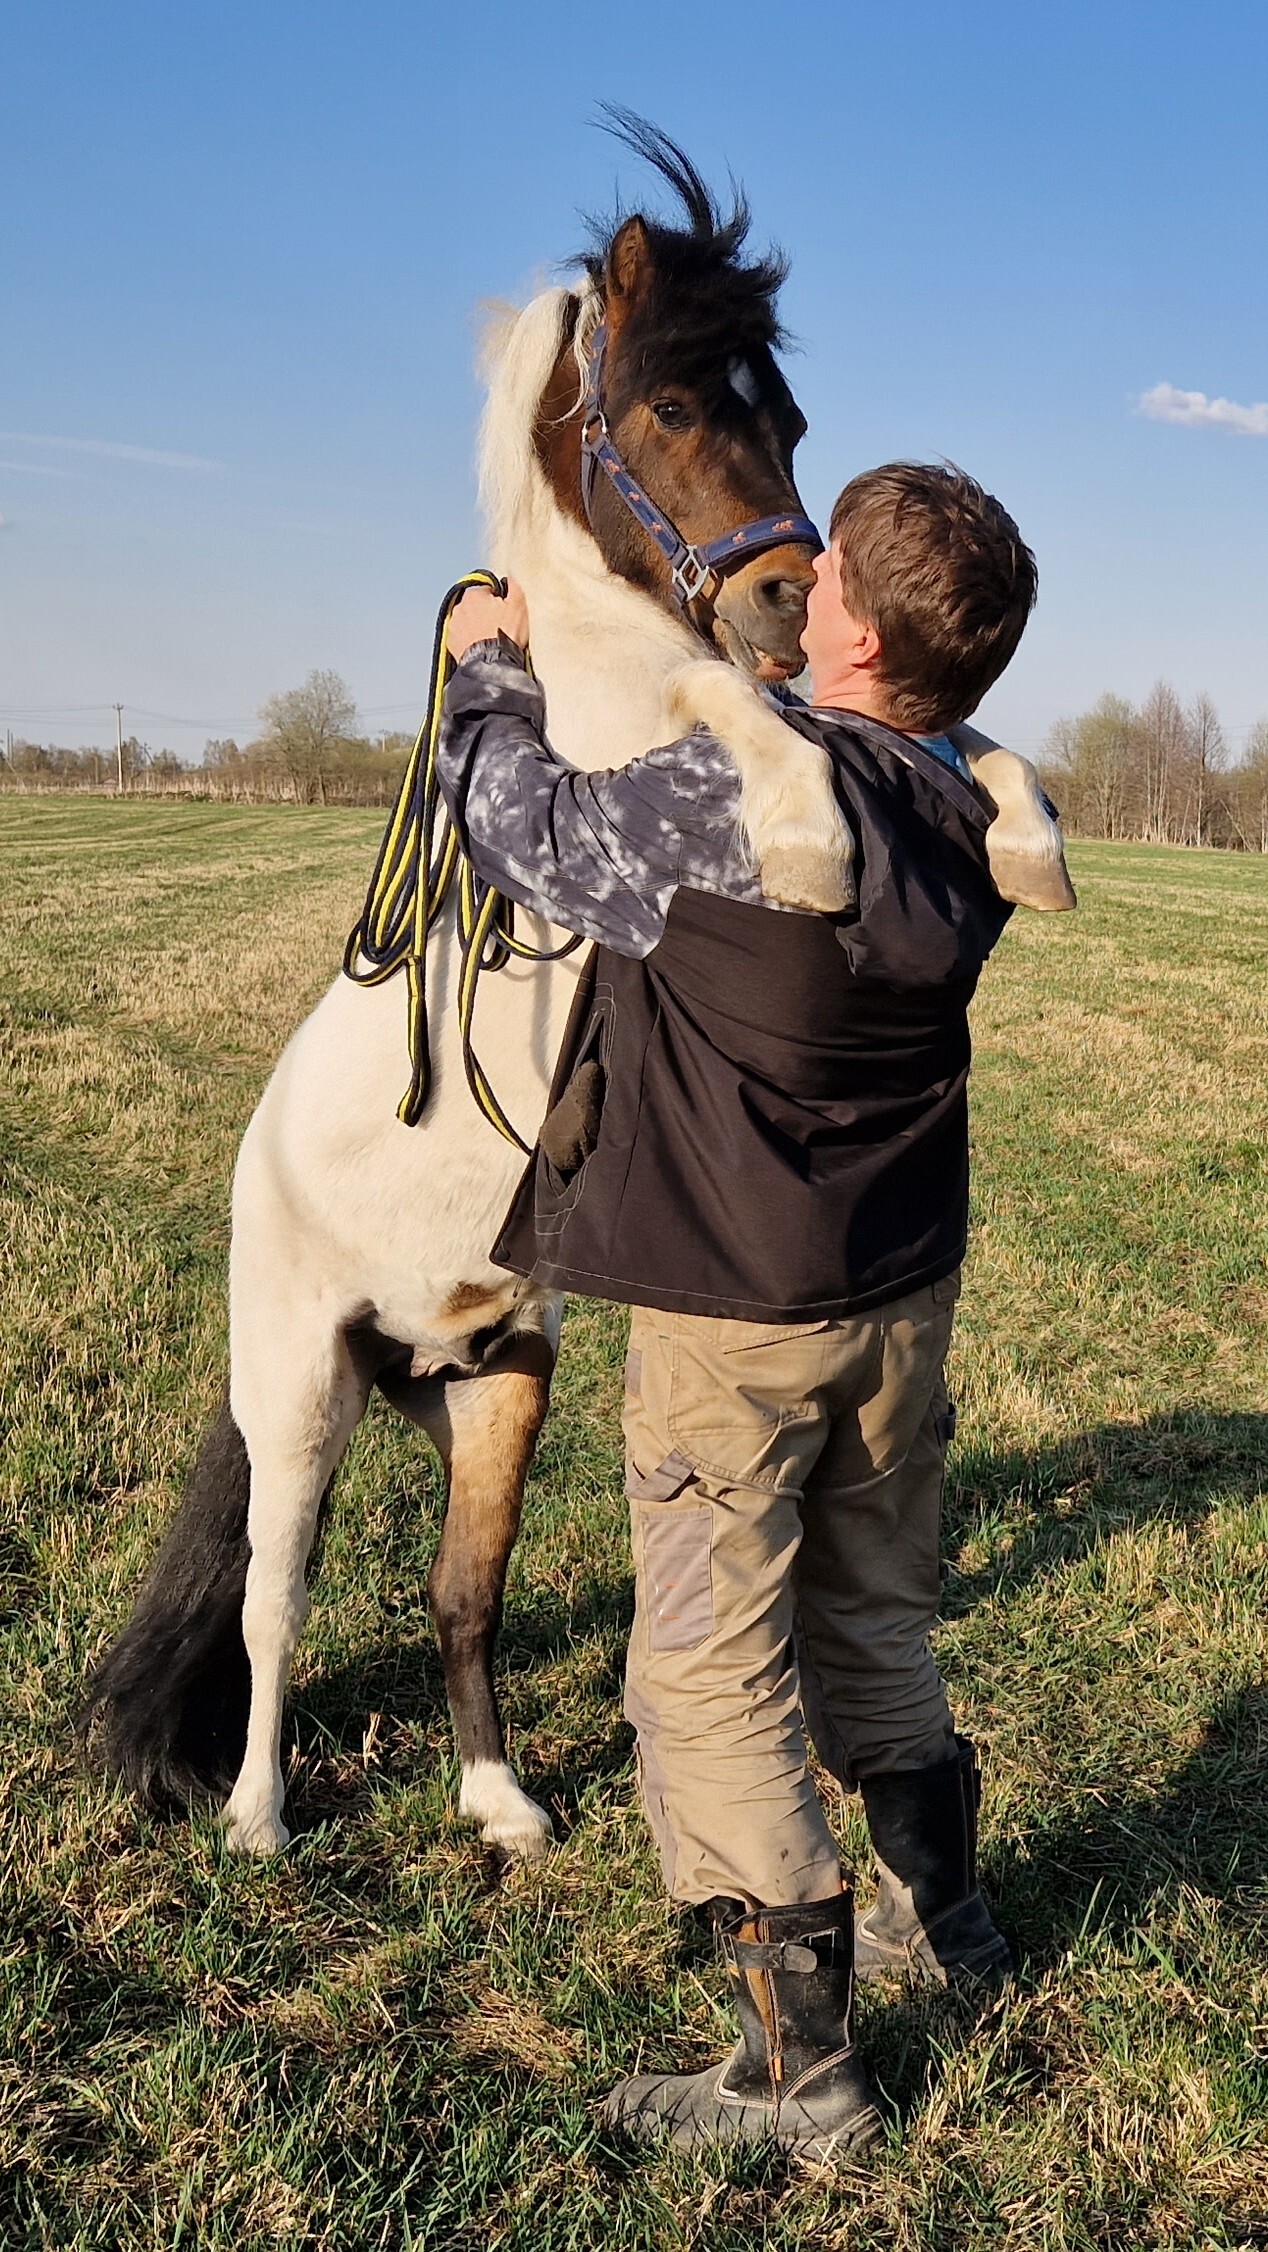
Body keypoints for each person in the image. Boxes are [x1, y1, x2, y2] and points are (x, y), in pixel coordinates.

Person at [436, 461, 1038, 2165]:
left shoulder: (748, 799)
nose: (801, 580)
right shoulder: (978, 816)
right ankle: (950, 1916)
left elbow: (528, 833)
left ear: (849, 622)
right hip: (899, 1299)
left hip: (739, 1312)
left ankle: (799, 2074)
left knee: (706, 1670)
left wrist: (489, 669)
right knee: (873, 1616)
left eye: (824, 568)